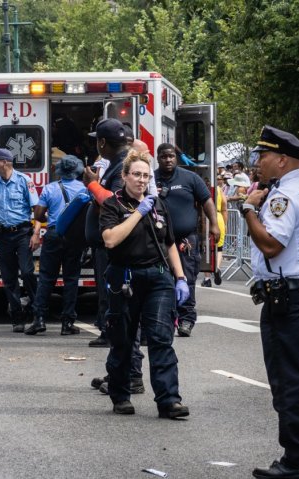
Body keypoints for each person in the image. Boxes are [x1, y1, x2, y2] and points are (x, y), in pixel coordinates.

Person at [241, 126, 299, 479]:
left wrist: (249, 209)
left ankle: (296, 459)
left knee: (289, 379)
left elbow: (271, 244)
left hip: (287, 300)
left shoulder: (283, 198)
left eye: (262, 156)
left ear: (281, 159)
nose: (257, 163)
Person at [99, 150, 190, 418]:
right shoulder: (112, 205)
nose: (141, 180)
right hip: (125, 278)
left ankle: (168, 400)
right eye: (136, 175)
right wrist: (138, 213)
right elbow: (111, 240)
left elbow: (170, 243)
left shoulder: (158, 204)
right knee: (124, 341)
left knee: (161, 339)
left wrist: (181, 278)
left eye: (146, 176)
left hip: (158, 277)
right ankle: (120, 395)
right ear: (124, 176)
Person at [153, 143, 219, 337]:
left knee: (187, 279)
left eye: (171, 156)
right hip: (159, 240)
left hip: (185, 240)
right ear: (158, 158)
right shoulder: (151, 179)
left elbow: (207, 201)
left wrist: (214, 224)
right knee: (162, 280)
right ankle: (165, 318)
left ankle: (186, 320)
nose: (168, 160)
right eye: (164, 156)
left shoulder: (190, 178)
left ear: (176, 157)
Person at [25, 155, 87, 335]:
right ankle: (67, 323)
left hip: (53, 234)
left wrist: (50, 219)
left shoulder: (49, 188)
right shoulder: (83, 189)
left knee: (46, 278)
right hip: (75, 237)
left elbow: (38, 215)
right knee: (71, 279)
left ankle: (39, 319)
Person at [82, 118, 130, 348]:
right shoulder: (116, 164)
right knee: (108, 289)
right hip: (106, 242)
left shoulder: (121, 167)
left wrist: (92, 184)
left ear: (102, 143)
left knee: (111, 290)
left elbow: (115, 203)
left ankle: (111, 333)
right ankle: (109, 330)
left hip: (112, 244)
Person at [0, 148, 39, 333]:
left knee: (27, 272)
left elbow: (37, 210)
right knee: (9, 279)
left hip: (22, 233)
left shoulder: (24, 181)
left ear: (4, 162)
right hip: (3, 235)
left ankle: (37, 311)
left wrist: (36, 233)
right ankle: (17, 317)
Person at [201, 180, 227, 288]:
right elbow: (224, 207)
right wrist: (225, 224)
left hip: (206, 216)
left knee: (207, 249)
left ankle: (207, 279)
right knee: (219, 248)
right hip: (219, 217)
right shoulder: (219, 190)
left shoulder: (202, 188)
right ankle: (217, 268)